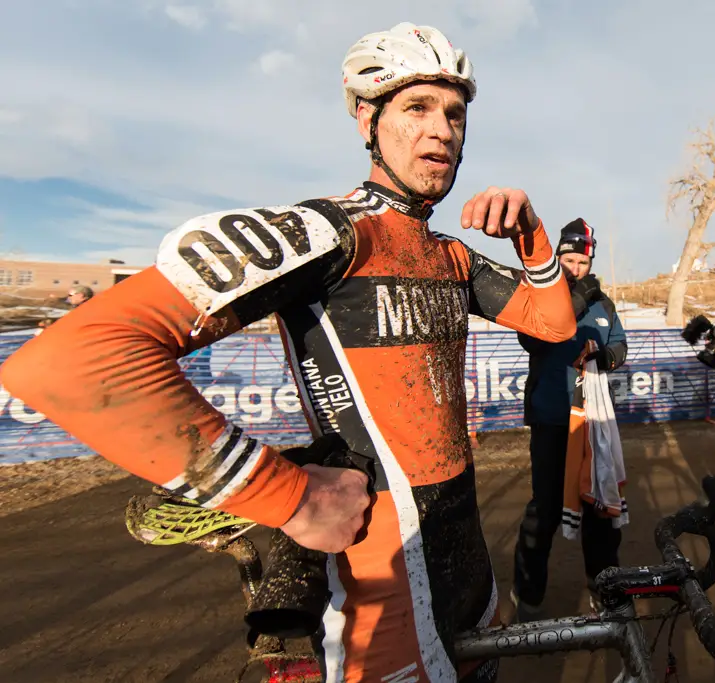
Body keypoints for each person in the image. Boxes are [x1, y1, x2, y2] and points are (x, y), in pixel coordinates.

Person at [0, 22, 577, 683]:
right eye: (417, 107)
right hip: (379, 585)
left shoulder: (449, 254)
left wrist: (531, 233)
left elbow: (554, 325)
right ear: (367, 117)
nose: (442, 129)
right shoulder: (329, 231)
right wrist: (287, 494)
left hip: (471, 569)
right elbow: (71, 357)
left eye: (455, 112)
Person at [510, 217, 628, 622]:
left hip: (592, 421)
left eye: (581, 261)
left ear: (589, 261)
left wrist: (606, 356)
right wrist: (574, 296)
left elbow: (620, 345)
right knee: (543, 511)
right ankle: (528, 596)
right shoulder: (541, 296)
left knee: (599, 508)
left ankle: (604, 588)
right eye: (568, 259)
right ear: (557, 257)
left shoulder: (604, 304)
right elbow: (532, 338)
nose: (574, 267)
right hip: (552, 419)